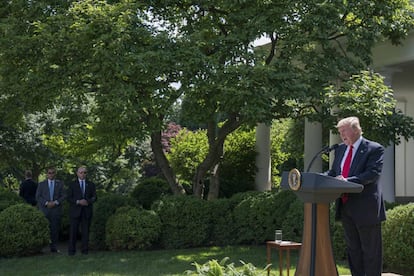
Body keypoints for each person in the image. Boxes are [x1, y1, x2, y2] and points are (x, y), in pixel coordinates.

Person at [326, 116, 386, 276]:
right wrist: (320, 177)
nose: (341, 135)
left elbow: (372, 174)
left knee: (371, 251)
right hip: (346, 206)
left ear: (355, 129)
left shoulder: (374, 149)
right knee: (353, 250)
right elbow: (334, 173)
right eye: (339, 132)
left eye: (343, 131)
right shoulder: (340, 149)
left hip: (366, 208)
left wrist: (346, 181)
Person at [67, 166, 97, 255]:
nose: (83, 174)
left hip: (86, 211)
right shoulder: (72, 184)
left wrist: (87, 201)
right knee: (73, 232)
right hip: (75, 211)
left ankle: (85, 251)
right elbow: (68, 198)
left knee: (85, 232)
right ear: (77, 173)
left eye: (85, 172)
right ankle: (71, 251)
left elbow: (95, 197)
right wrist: (78, 201)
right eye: (81, 172)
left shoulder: (91, 184)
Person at [36, 167, 65, 253]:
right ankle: (41, 248)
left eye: (52, 173)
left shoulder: (60, 184)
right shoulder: (41, 184)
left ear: (55, 174)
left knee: (55, 229)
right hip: (44, 210)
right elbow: (38, 196)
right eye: (49, 173)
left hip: (55, 210)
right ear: (46, 174)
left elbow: (64, 195)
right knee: (43, 228)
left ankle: (54, 247)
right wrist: (46, 203)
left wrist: (55, 202)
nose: (51, 174)